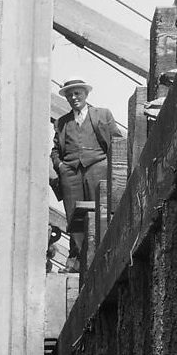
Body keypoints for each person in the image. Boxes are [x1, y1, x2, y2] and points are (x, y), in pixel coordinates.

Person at [50, 78, 122, 254]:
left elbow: (117, 141)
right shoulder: (61, 122)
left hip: (97, 168)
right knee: (75, 217)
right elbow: (55, 150)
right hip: (71, 174)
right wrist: (60, 166)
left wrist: (109, 166)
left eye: (77, 93)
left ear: (86, 94)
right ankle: (82, 255)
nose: (74, 97)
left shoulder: (102, 114)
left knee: (102, 211)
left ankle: (106, 249)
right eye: (70, 95)